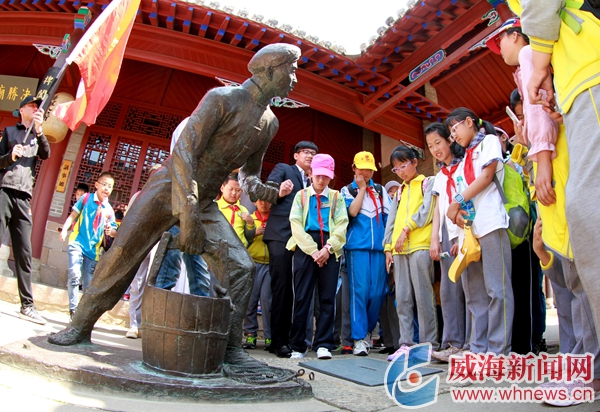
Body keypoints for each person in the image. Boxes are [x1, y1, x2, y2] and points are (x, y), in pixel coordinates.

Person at [47, 44, 302, 373]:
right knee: (121, 255)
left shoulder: (269, 122)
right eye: (291, 70)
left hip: (205, 201)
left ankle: (230, 349)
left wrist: (267, 191)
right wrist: (188, 213)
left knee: (241, 266)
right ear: (268, 71)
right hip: (168, 188)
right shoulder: (222, 99)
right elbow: (185, 151)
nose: (295, 79)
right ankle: (80, 326)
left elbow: (249, 174)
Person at [513, 0, 600, 344]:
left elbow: (539, 121)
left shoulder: (531, 54)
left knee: (584, 226)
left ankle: (584, 360)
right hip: (579, 87)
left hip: (588, 73)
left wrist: (543, 160)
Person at [445, 107, 514, 355]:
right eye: (451, 134)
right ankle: (477, 350)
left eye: (455, 129)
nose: (454, 136)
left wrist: (456, 203)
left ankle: (498, 351)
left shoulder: (490, 142)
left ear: (469, 121)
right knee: (475, 294)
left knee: (497, 289)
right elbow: (463, 192)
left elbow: (486, 177)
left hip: (492, 223)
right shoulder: (464, 158)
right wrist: (457, 214)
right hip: (470, 231)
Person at [287, 154, 348, 360]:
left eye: (326, 176)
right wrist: (313, 250)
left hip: (330, 246)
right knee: (302, 296)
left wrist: (328, 248)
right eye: (318, 175)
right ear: (310, 173)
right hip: (305, 248)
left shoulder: (337, 197)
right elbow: (295, 224)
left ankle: (323, 343)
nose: (321, 180)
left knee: (327, 298)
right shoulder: (301, 196)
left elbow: (341, 224)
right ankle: (298, 345)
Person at [262, 140, 318, 358]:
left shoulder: (316, 179)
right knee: (282, 287)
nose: (310, 156)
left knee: (302, 290)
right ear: (295, 155)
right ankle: (278, 341)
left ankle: (298, 340)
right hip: (281, 234)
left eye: (313, 153)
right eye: (305, 152)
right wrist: (280, 192)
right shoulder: (283, 169)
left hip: (305, 239)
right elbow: (266, 193)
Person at [384, 146, 437, 362]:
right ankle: (405, 344)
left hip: (420, 246)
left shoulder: (427, 182)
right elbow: (391, 221)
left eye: (403, 165)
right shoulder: (399, 192)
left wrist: (407, 228)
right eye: (396, 169)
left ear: (415, 162)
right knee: (403, 298)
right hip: (399, 250)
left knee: (423, 297)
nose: (400, 172)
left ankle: (428, 345)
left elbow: (427, 211)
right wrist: (387, 248)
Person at [0, 96, 50, 325]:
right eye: (32, 106)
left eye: (38, 107)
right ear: (21, 110)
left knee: (24, 252)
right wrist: (10, 156)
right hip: (4, 191)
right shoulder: (10, 132)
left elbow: (46, 154)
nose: (36, 109)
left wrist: (39, 130)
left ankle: (27, 306)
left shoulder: (37, 136)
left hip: (23, 197)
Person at [425, 122, 471, 362]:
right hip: (446, 233)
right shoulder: (439, 176)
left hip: (465, 230)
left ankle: (472, 344)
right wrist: (435, 239)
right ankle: (453, 344)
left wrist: (463, 236)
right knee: (449, 290)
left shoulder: (465, 165)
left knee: (470, 289)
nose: (435, 149)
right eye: (430, 146)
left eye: (438, 143)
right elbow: (437, 210)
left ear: (449, 140)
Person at [153, 117, 212, 299]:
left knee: (199, 267)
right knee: (169, 266)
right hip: (179, 201)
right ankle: (158, 308)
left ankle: (200, 308)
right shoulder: (191, 123)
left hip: (198, 206)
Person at [340, 151, 391, 356]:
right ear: (354, 168)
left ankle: (368, 331)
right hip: (357, 249)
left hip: (379, 249)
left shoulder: (380, 190)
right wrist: (361, 189)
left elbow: (389, 219)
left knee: (378, 292)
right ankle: (359, 338)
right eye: (362, 168)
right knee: (359, 293)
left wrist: (389, 247)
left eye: (369, 169)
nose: (366, 173)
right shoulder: (347, 190)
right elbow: (352, 212)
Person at [59, 172, 118, 319]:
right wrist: (65, 230)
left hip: (93, 250)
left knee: (88, 285)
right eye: (104, 184)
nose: (106, 188)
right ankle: (73, 311)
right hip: (77, 242)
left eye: (110, 186)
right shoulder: (86, 199)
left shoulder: (109, 210)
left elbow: (114, 232)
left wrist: (111, 231)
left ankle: (82, 314)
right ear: (96, 185)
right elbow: (73, 216)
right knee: (74, 275)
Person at [242, 198, 272, 350]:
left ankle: (269, 336)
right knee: (250, 301)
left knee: (267, 302)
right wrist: (255, 233)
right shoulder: (249, 218)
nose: (263, 203)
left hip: (270, 265)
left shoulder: (275, 219)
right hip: (252, 263)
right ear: (255, 202)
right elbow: (242, 240)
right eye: (260, 201)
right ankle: (250, 334)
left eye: (267, 201)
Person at [217, 173, 255, 247]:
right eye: (230, 189)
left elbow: (249, 237)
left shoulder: (243, 210)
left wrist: (251, 223)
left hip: (239, 249)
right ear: (222, 188)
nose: (234, 193)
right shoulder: (215, 207)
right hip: (219, 248)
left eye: (238, 190)